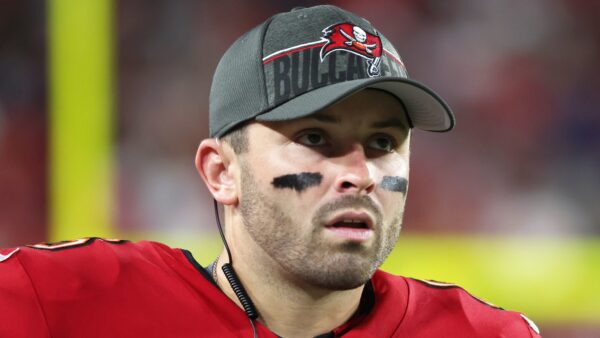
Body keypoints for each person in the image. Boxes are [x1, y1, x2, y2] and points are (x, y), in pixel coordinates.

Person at [0, 5, 541, 338]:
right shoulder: (60, 301)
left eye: (382, 142)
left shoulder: (484, 334)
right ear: (221, 172)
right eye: (313, 138)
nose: (360, 174)